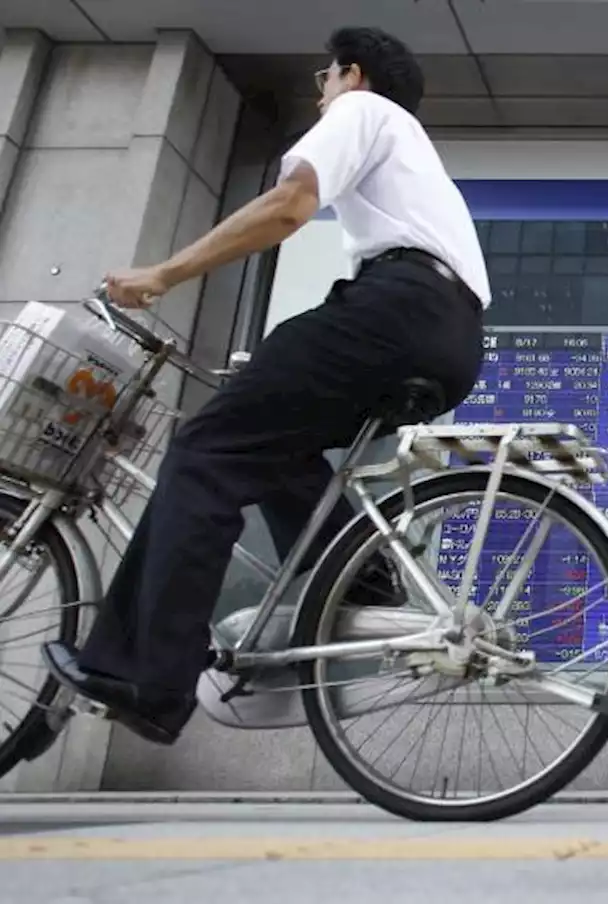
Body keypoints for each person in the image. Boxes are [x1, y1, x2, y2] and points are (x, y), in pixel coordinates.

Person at [42, 26, 490, 747]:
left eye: (325, 76)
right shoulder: (413, 157)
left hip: (395, 307)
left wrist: (163, 273)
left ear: (353, 74)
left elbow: (289, 206)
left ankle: (148, 678)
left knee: (203, 453)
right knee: (276, 449)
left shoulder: (363, 112)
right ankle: (358, 577)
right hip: (451, 334)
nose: (321, 91)